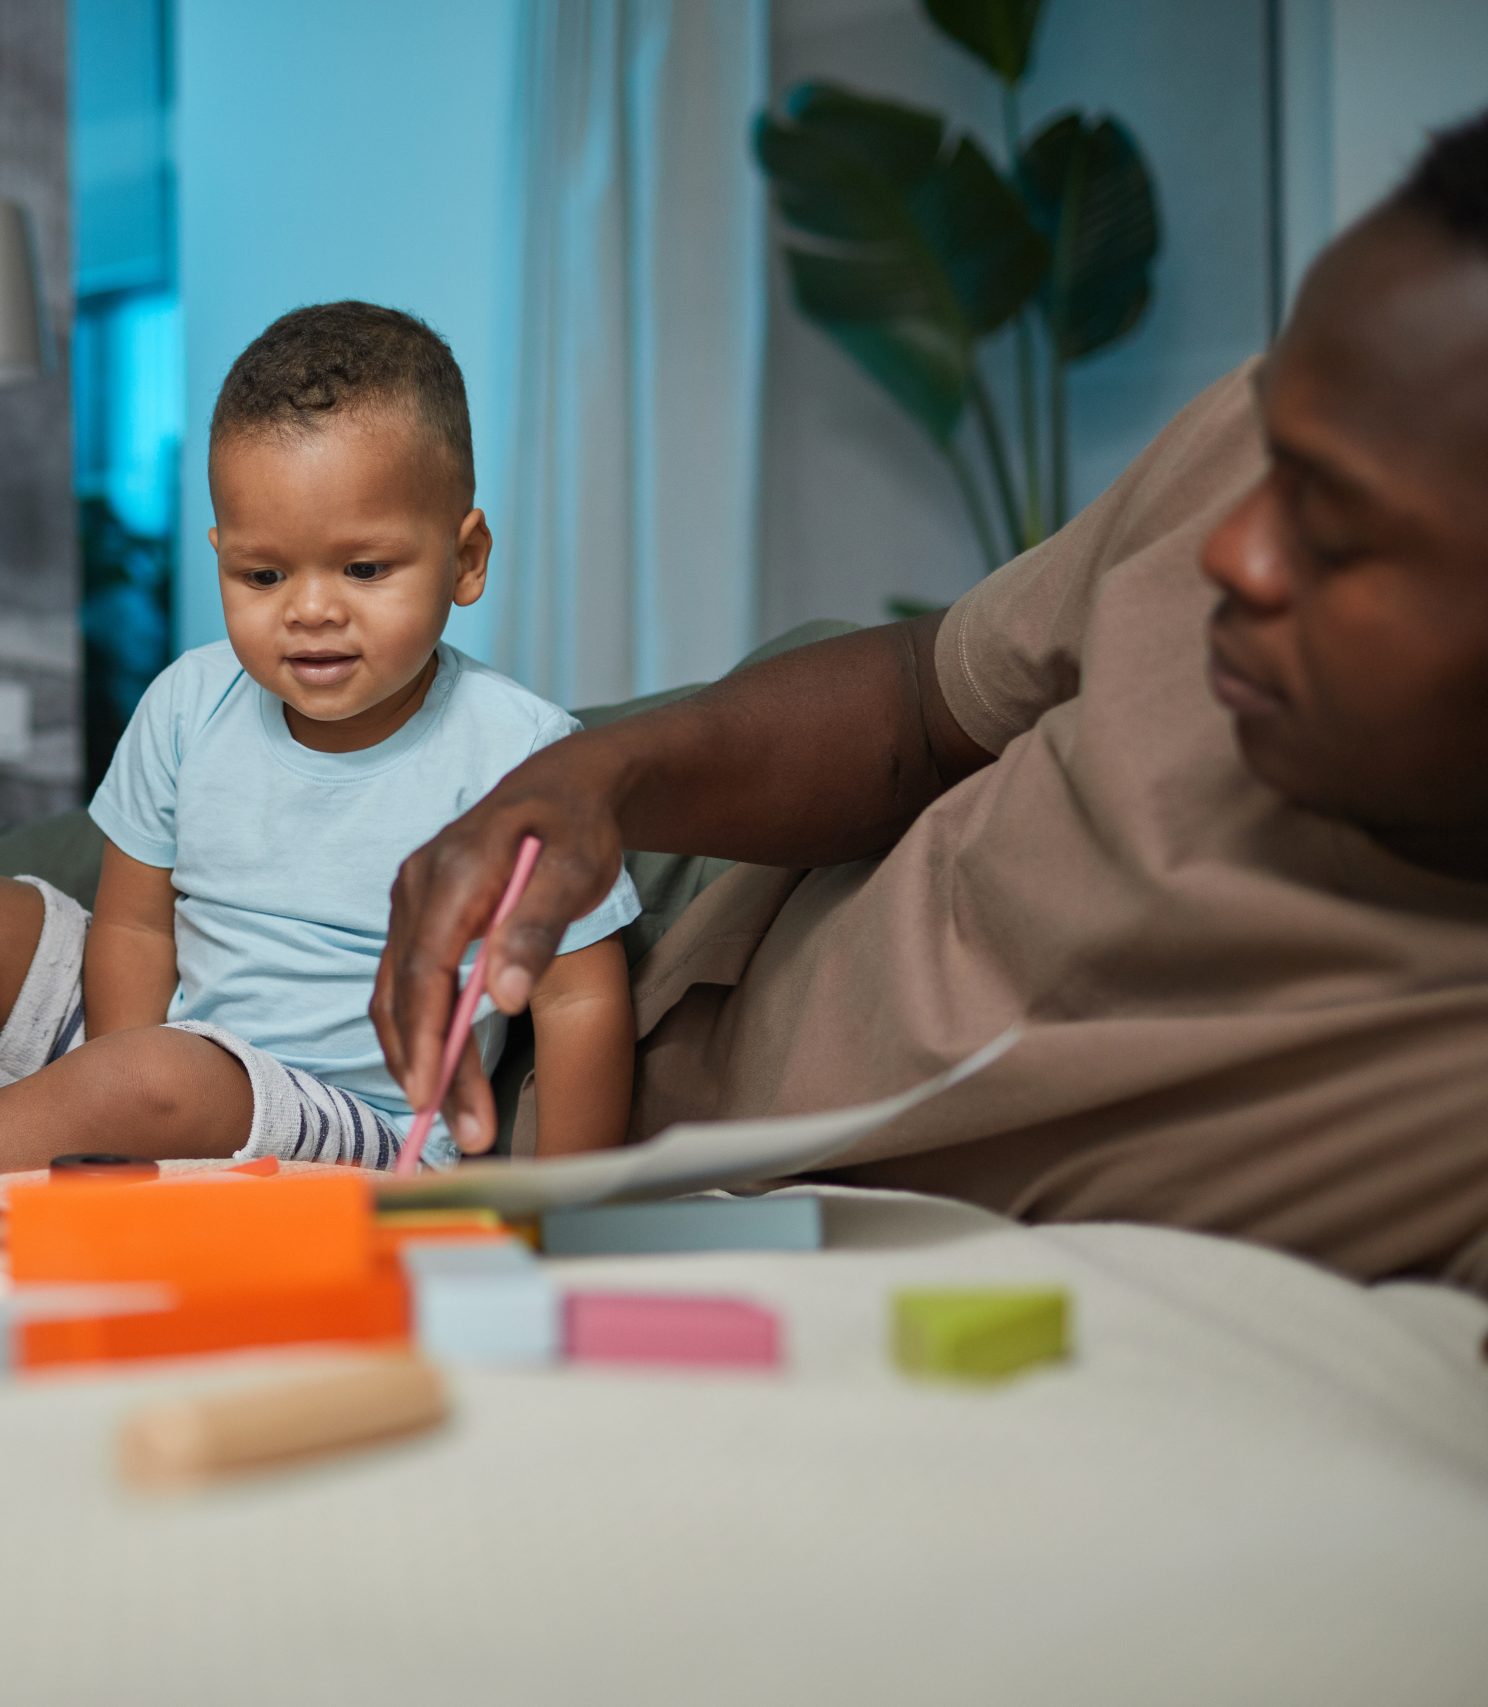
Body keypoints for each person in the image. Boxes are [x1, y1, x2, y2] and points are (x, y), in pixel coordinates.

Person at [374, 113, 1488, 1292]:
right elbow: (918, 699)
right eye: (1270, 460)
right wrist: (594, 778)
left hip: (731, 1222)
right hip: (687, 886)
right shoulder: (1281, 447)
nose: (1232, 554)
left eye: (1336, 528)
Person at [0, 304, 639, 1176]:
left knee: (159, 1072)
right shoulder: (190, 700)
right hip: (174, 1054)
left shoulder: (523, 754)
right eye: (264, 574)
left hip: (366, 1124)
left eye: (364, 569)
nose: (310, 609)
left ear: (468, 559)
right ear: (221, 554)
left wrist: (564, 1211)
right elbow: (138, 928)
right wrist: (107, 1082)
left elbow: (578, 998)